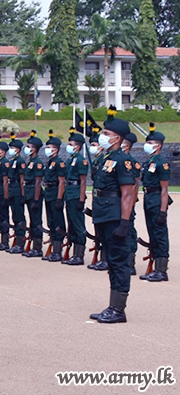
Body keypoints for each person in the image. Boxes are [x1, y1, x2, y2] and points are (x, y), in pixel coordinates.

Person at [88, 116, 135, 324]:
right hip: (104, 215)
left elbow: (127, 194)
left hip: (115, 217)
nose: (102, 136)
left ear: (117, 139)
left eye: (106, 134)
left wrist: (125, 222)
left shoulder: (122, 161)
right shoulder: (104, 158)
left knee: (119, 262)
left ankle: (118, 309)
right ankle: (112, 306)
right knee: (111, 262)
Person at [140, 123, 171, 282]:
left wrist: (163, 211)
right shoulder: (149, 162)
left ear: (158, 146)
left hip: (158, 199)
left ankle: (161, 270)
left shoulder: (161, 163)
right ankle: (155, 267)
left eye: (151, 143)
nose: (148, 145)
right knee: (152, 233)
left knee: (160, 234)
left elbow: (165, 190)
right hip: (148, 199)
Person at [61, 129, 89, 266]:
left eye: (71, 144)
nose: (69, 146)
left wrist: (81, 199)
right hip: (69, 193)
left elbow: (83, 181)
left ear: (77, 146)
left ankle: (79, 254)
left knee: (78, 224)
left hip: (76, 193)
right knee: (71, 223)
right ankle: (73, 253)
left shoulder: (80, 160)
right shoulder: (71, 159)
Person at [41, 130, 66, 262]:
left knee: (58, 222)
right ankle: (53, 248)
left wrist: (59, 199)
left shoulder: (58, 162)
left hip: (55, 192)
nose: (47, 150)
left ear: (56, 150)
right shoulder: (49, 162)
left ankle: (58, 250)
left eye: (50, 148)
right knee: (50, 221)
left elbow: (62, 181)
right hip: (49, 193)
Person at [87, 126, 109, 271]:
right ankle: (102, 258)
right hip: (98, 198)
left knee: (106, 231)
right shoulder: (97, 160)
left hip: (106, 199)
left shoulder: (104, 160)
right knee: (99, 230)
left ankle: (106, 259)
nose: (92, 148)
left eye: (94, 145)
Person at [121, 133, 141, 275]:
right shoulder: (119, 160)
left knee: (128, 230)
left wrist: (131, 204)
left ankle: (130, 262)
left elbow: (135, 185)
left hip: (127, 203)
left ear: (126, 146)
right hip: (118, 201)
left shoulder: (130, 161)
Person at [22, 131, 44, 258]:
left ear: (34, 149)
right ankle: (33, 244)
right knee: (31, 220)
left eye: (29, 147)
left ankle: (37, 247)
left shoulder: (37, 162)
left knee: (36, 221)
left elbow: (37, 182)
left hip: (34, 193)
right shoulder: (31, 161)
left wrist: (36, 199)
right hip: (29, 192)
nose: (27, 148)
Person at [6, 133, 27, 254]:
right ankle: (17, 240)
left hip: (18, 191)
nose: (11, 150)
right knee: (14, 216)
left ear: (18, 150)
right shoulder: (13, 160)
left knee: (19, 217)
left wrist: (23, 194)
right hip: (12, 190)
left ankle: (20, 242)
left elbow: (22, 179)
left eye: (13, 148)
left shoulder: (20, 161)